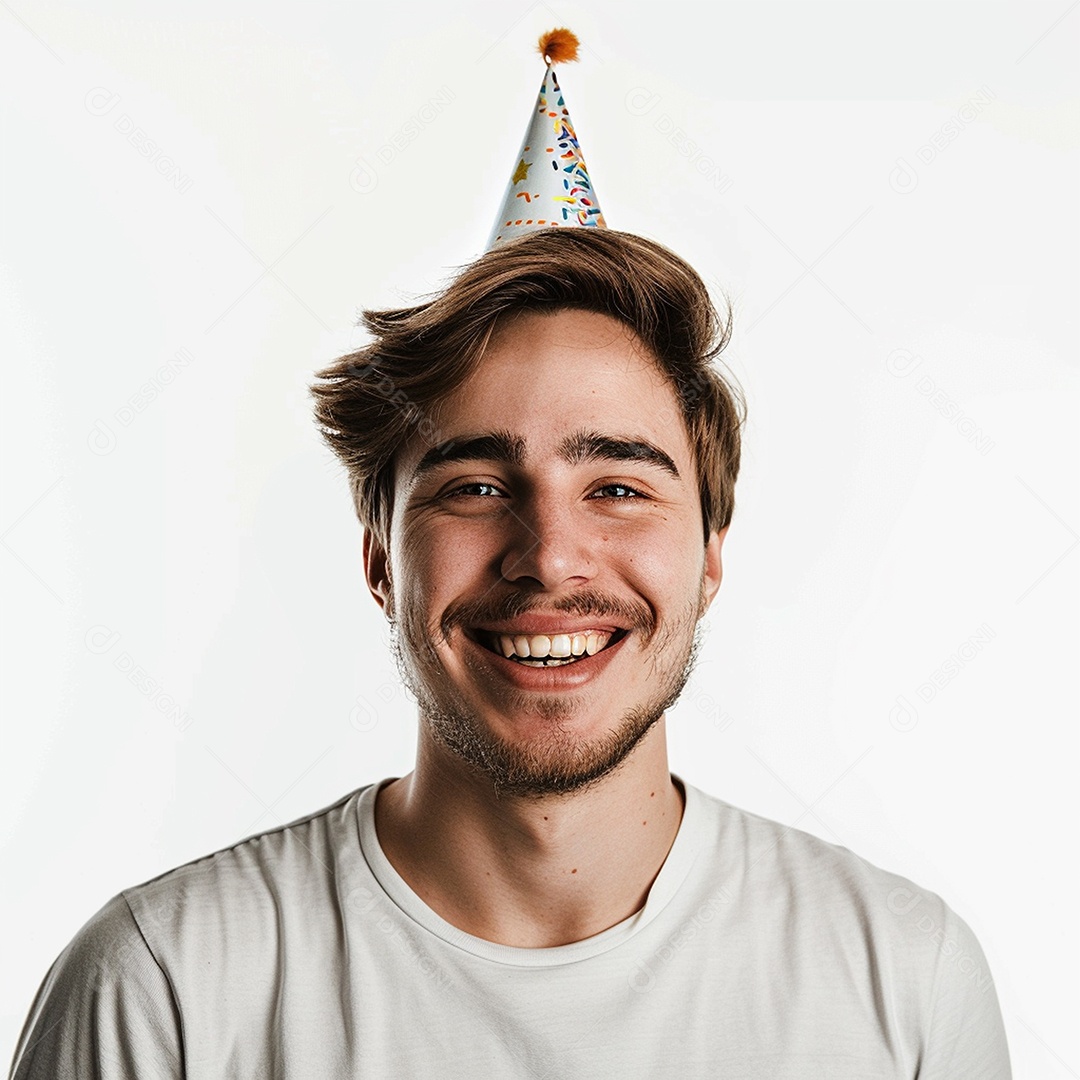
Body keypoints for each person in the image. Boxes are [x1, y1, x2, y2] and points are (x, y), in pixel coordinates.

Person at [10, 31, 1011, 1080]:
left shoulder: (904, 979)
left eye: (618, 487)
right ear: (380, 559)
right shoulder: (164, 987)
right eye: (476, 488)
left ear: (710, 554)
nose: (549, 558)